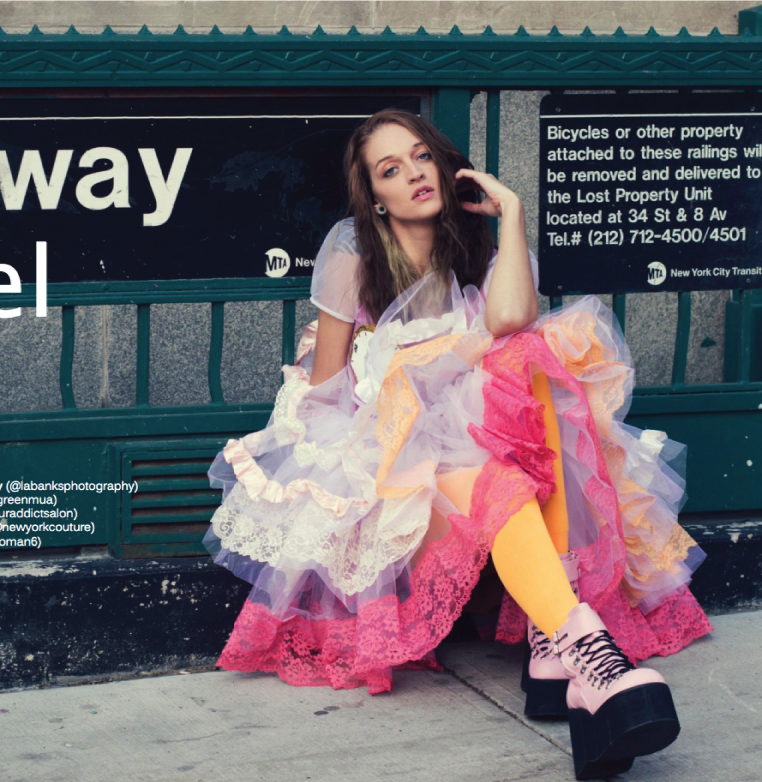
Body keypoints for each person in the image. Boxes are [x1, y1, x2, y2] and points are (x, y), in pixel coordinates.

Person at [203, 108, 712, 780]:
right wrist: (380, 417)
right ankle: (584, 652)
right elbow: (324, 390)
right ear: (374, 197)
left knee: (531, 356)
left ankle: (558, 647)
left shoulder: (481, 247)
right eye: (391, 169)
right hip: (403, 463)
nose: (414, 175)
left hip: (493, 449)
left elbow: (510, 321)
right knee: (497, 443)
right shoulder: (355, 256)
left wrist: (514, 214)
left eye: (421, 156)